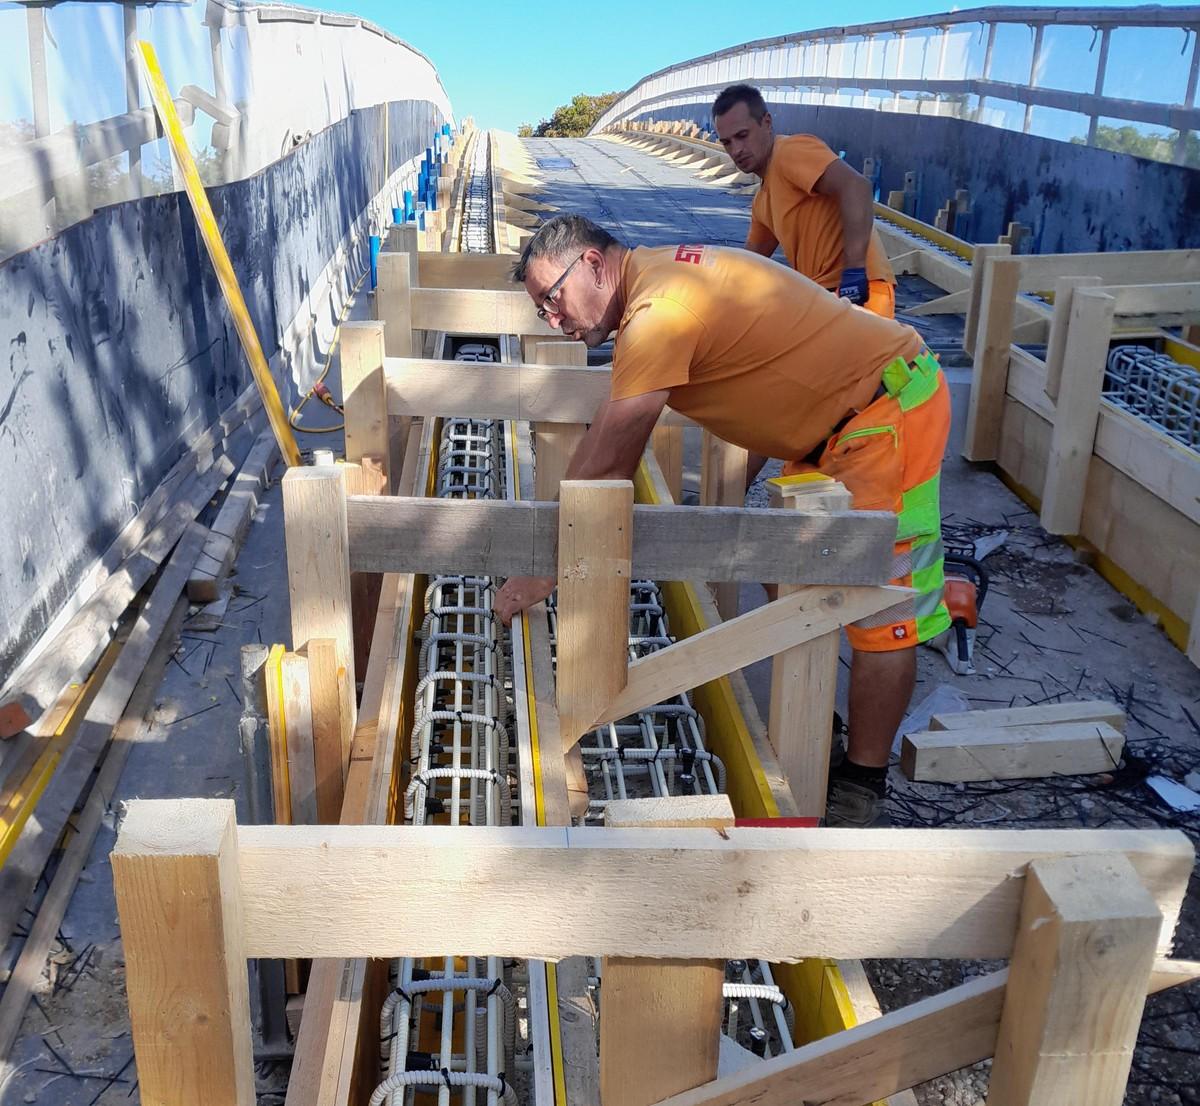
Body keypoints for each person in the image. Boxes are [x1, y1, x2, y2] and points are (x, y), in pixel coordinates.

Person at [492, 215, 952, 827]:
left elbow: (608, 466)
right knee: (792, 576)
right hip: (833, 427)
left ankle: (862, 784)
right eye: (541, 311)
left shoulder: (659, 312)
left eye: (551, 300)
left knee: (880, 610)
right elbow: (615, 429)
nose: (553, 319)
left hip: (885, 415)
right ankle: (821, 722)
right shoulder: (653, 283)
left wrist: (546, 570)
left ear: (595, 266)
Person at [712, 83, 895, 317]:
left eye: (742, 136)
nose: (736, 150)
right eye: (727, 142)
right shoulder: (763, 201)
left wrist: (854, 271)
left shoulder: (790, 152)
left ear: (766, 123)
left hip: (860, 290)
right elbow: (750, 261)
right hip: (824, 296)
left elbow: (856, 186)